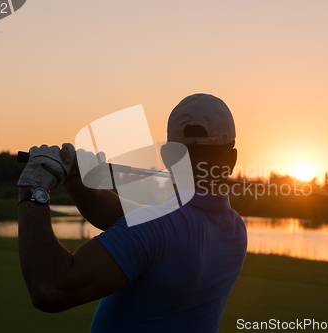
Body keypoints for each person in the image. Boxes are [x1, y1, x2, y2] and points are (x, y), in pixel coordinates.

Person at [17, 93, 247, 332]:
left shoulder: (154, 229)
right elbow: (124, 218)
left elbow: (50, 288)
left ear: (167, 156)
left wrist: (34, 187)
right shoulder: (235, 229)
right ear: (232, 159)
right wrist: (78, 181)